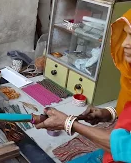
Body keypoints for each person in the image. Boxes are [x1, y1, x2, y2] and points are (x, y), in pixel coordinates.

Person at [35, 9, 131, 163]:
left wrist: (68, 123)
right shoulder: (129, 76)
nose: (125, 43)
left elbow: (126, 148)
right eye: (125, 34)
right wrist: (108, 113)